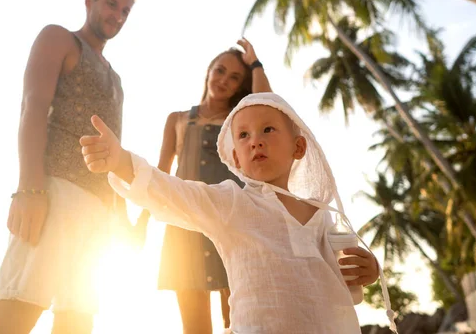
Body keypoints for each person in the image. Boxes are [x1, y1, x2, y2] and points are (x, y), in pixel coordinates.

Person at [80, 92, 396, 334]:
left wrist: (368, 271)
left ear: (298, 148)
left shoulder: (322, 213)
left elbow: (343, 283)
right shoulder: (232, 204)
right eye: (243, 136)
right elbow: (174, 193)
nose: (255, 141)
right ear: (236, 159)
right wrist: (121, 162)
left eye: (267, 130)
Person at [0, 0, 144, 334]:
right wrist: (30, 188)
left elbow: (112, 154)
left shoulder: (116, 80)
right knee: (16, 311)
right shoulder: (60, 40)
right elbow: (33, 107)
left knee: (76, 324)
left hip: (100, 212)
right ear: (90, 1)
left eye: (125, 11)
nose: (117, 16)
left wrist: (122, 218)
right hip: (55, 193)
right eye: (111, 4)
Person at [155, 39, 272, 333]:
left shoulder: (239, 122)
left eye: (235, 78)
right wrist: (140, 224)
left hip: (231, 222)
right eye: (220, 71)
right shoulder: (177, 119)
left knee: (240, 323)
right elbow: (161, 176)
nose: (223, 81)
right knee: (195, 329)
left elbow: (267, 104)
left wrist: (255, 63)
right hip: (184, 227)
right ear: (208, 71)